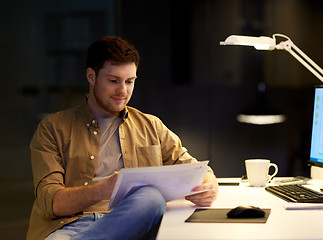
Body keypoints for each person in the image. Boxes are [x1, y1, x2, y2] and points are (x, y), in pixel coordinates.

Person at [27, 36, 219, 240]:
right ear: (91, 77)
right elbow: (51, 203)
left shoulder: (151, 125)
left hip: (131, 224)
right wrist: (106, 189)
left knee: (151, 198)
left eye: (130, 81)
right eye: (113, 81)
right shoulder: (52, 129)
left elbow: (197, 169)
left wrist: (209, 186)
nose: (123, 91)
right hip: (68, 228)